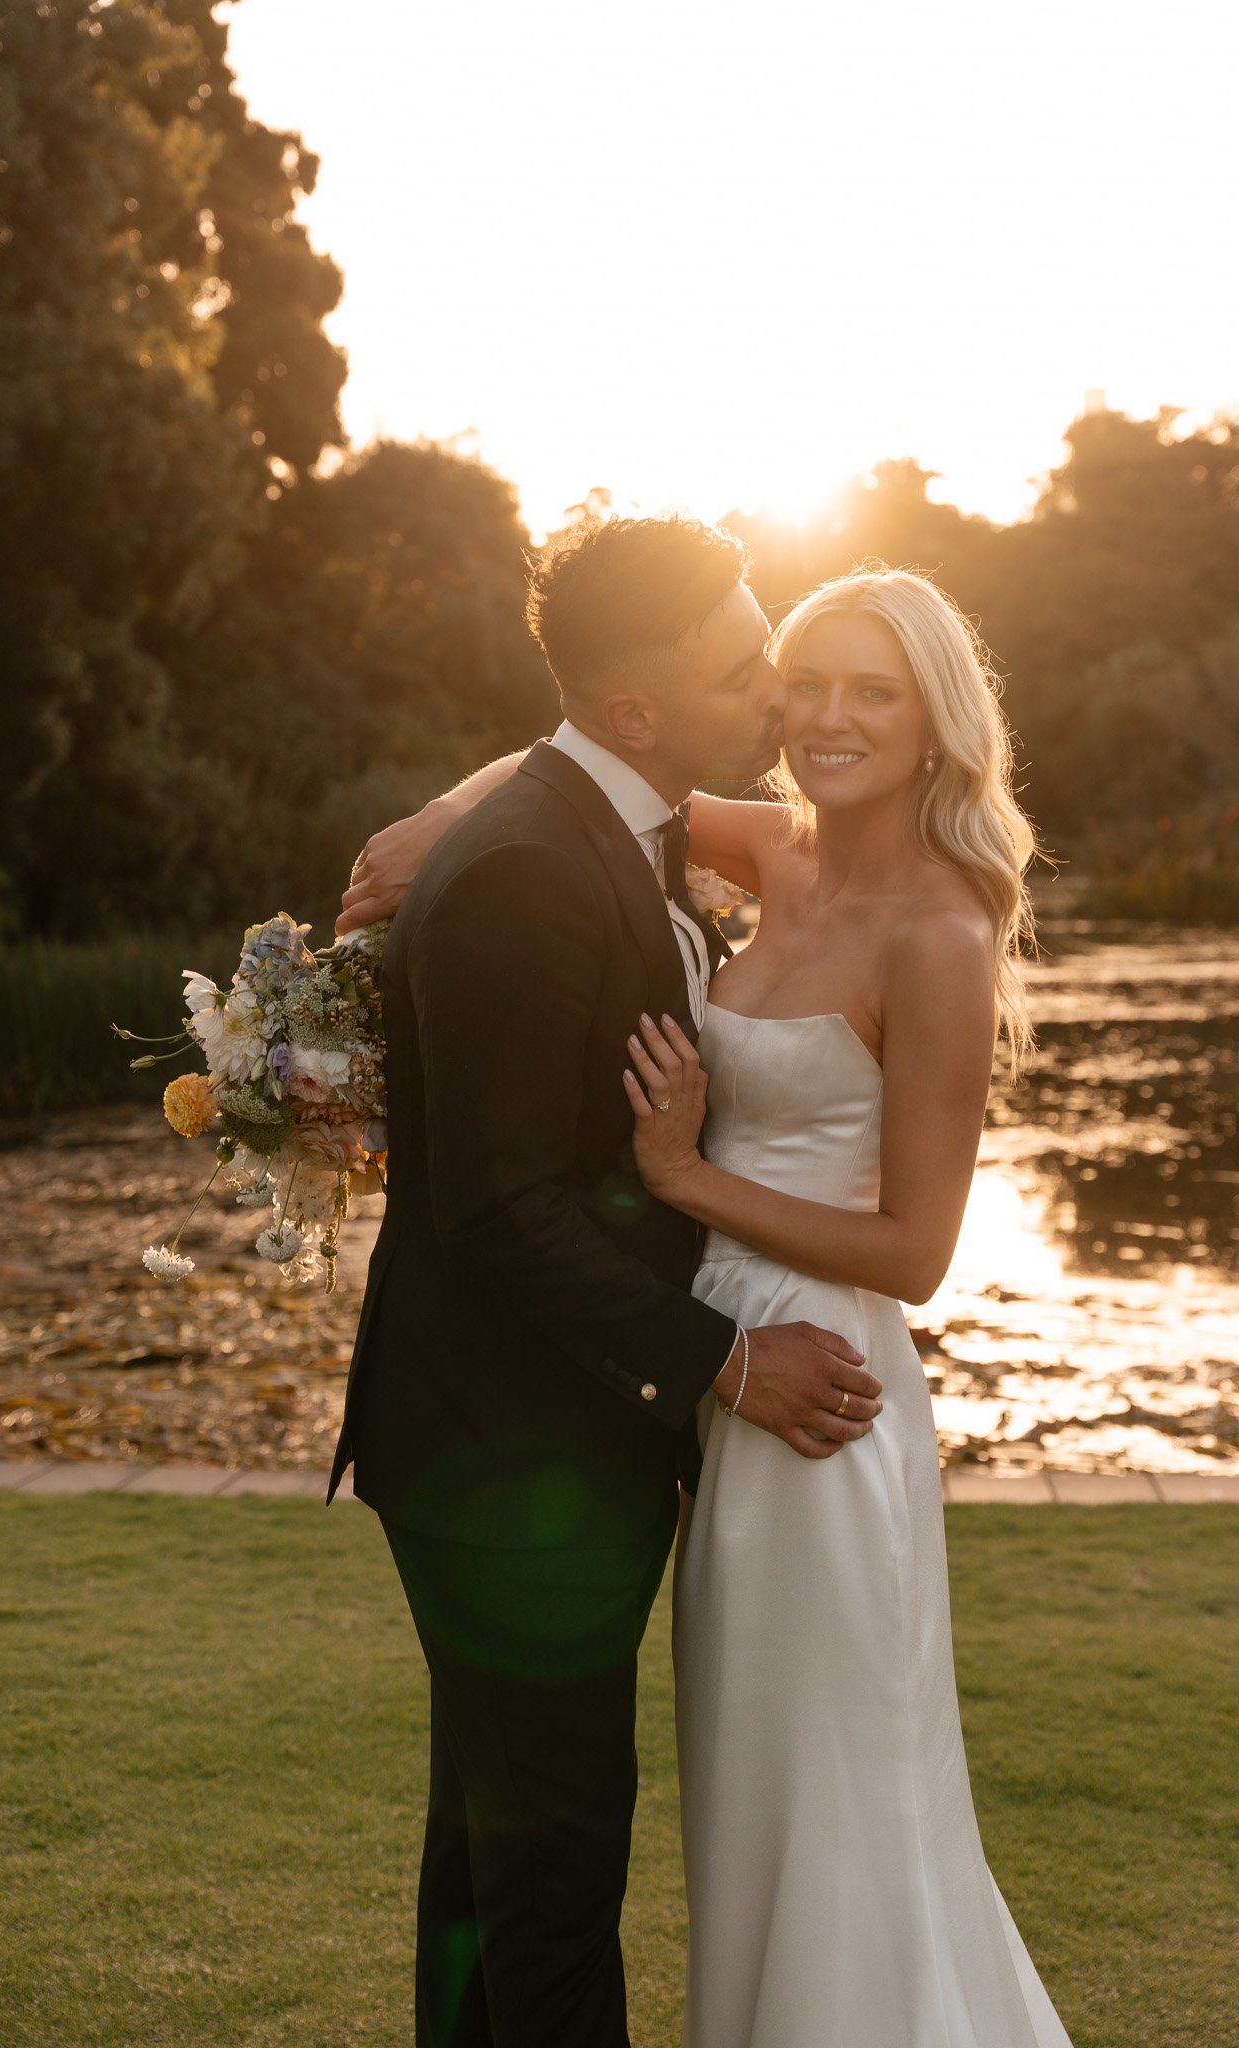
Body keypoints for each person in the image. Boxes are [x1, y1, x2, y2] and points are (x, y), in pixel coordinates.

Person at [344, 557, 1076, 2047]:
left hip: (813, 1381)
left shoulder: (940, 932)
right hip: (702, 1377)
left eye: (866, 690)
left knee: (831, 1774)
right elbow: (572, 763)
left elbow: (917, 1252)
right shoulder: (774, 850)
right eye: (796, 678)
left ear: (936, 722)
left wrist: (686, 1181)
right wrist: (436, 824)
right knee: (730, 1782)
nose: (811, 713)